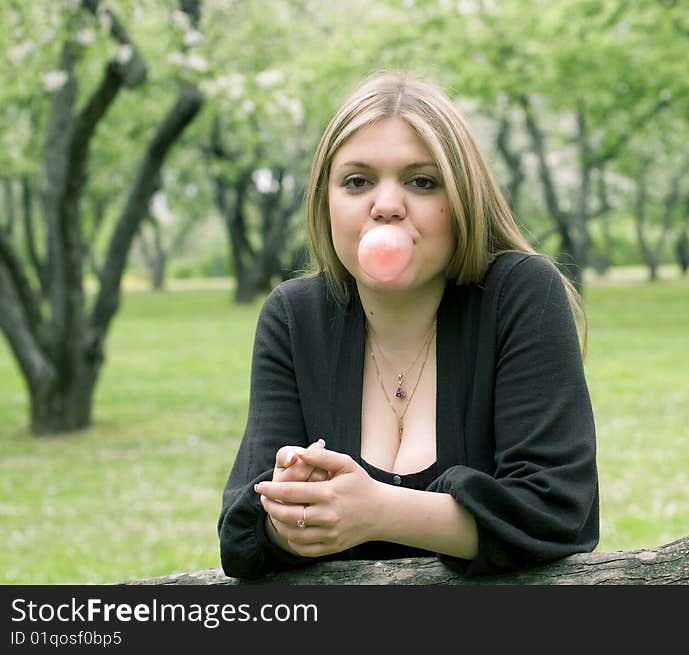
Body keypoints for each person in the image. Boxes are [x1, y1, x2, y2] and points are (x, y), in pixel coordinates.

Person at [217, 71, 599, 578]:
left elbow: (555, 515)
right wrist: (289, 512)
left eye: (422, 181)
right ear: (325, 202)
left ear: (462, 197)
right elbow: (242, 536)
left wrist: (377, 512)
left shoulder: (521, 294)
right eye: (357, 181)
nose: (387, 206)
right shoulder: (294, 316)